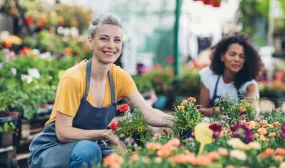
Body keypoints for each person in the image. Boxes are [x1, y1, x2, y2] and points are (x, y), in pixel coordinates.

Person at [28, 14, 173, 168]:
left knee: (122, 161)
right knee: (89, 152)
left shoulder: (119, 77)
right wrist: (103, 133)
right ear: (91, 41)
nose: (111, 45)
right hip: (54, 149)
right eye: (104, 38)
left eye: (117, 40)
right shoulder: (74, 78)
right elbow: (63, 133)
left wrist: (177, 121)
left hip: (91, 145)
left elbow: (147, 112)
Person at [198, 33, 262, 117]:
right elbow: (201, 111)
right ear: (222, 56)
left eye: (242, 56)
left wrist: (220, 110)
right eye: (232, 54)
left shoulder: (250, 85)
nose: (237, 59)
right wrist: (228, 110)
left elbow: (253, 111)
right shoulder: (209, 76)